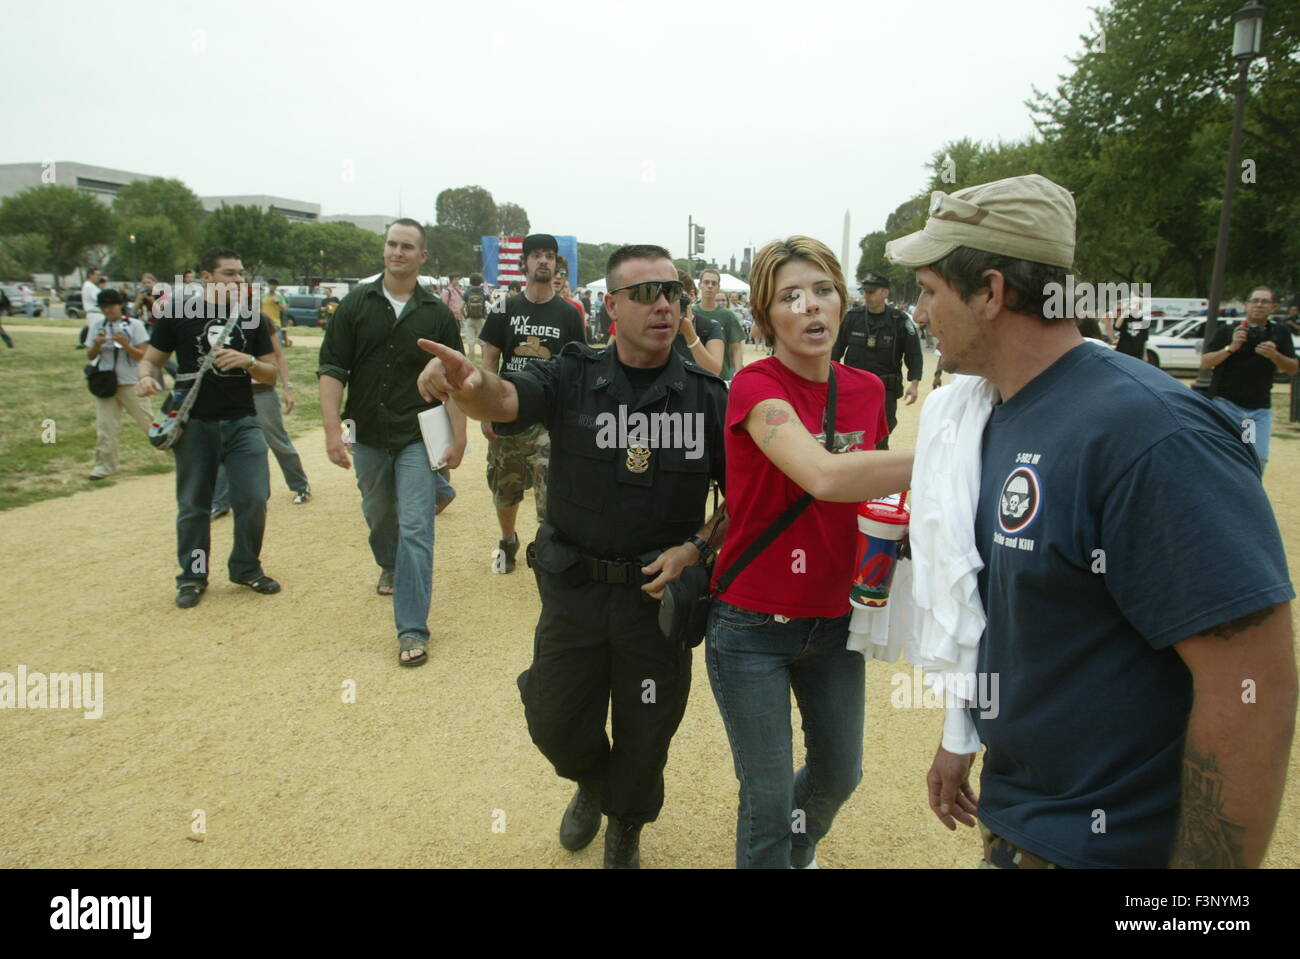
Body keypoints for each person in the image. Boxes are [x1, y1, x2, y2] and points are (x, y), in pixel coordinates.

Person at [884, 173, 1296, 869]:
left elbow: (1252, 687)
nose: (919, 313)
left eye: (929, 290)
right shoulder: (998, 411)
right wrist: (965, 732)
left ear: (990, 291)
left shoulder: (1148, 433)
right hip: (1022, 824)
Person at [415, 243, 728, 869]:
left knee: (646, 734)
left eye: (673, 292)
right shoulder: (572, 373)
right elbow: (504, 401)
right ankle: (589, 780)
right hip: (575, 589)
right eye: (645, 293)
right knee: (555, 723)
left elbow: (742, 499)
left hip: (655, 601)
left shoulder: (705, 396)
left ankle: (625, 827)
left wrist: (697, 548)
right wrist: (469, 386)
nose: (663, 304)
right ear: (610, 306)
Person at [705, 237, 912, 869]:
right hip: (751, 624)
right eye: (789, 296)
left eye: (823, 290)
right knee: (764, 800)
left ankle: (794, 854)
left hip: (836, 620)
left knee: (839, 776)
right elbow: (823, 476)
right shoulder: (754, 388)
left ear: (843, 301)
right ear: (766, 318)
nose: (811, 306)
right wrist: (961, 455)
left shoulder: (870, 391)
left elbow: (870, 490)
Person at [317, 219, 466, 666]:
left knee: (417, 528)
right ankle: (387, 561)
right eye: (392, 245)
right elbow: (331, 369)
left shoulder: (437, 313)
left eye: (407, 247)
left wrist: (457, 439)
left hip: (416, 435)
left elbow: (455, 379)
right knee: (379, 512)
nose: (397, 252)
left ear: (422, 257)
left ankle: (412, 629)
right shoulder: (354, 305)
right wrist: (330, 432)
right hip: (366, 433)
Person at [135, 247, 282, 609]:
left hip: (243, 421)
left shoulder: (253, 318)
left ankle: (246, 566)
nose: (239, 280)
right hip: (196, 423)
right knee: (194, 506)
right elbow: (150, 362)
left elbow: (271, 374)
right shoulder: (177, 315)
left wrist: (248, 361)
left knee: (253, 497)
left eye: (241, 274)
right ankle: (192, 576)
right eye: (230, 274)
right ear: (206, 278)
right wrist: (145, 380)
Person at [477, 234, 585, 573]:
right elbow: (490, 357)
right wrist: (485, 411)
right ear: (525, 262)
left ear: (555, 263)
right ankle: (508, 540)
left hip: (549, 418)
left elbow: (577, 365)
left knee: (550, 489)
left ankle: (546, 548)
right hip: (509, 414)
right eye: (536, 255)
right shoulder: (504, 307)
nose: (543, 261)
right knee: (505, 488)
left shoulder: (568, 313)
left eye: (549, 256)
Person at [211, 303, 311, 517]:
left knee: (276, 440)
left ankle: (300, 485)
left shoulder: (260, 320)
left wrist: (287, 387)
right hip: (229, 393)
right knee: (224, 444)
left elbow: (278, 356)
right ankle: (220, 501)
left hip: (261, 391)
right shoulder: (210, 319)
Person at [1200, 286, 1297, 473]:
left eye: (1265, 302)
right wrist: (1231, 347)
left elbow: (1292, 369)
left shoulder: (1279, 332)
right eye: (1255, 301)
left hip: (1256, 410)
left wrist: (1274, 355)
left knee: (1256, 457)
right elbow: (1205, 363)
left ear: (1273, 307)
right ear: (1246, 305)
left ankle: (1248, 499)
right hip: (1225, 405)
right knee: (1221, 456)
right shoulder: (1227, 331)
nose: (1259, 305)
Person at [832, 271, 922, 449]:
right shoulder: (852, 318)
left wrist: (914, 383)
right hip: (853, 388)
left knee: (881, 436)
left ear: (885, 293)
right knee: (851, 433)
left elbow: (913, 353)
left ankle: (877, 469)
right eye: (865, 291)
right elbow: (835, 351)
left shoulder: (900, 321)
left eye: (872, 291)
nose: (867, 295)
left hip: (885, 390)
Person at [84, 288, 154, 480]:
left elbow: (144, 355)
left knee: (148, 422)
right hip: (106, 383)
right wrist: (97, 345)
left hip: (131, 382)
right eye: (104, 307)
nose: (108, 311)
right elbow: (89, 355)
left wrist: (125, 345)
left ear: (120, 305)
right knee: (105, 428)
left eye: (111, 306)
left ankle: (176, 454)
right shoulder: (97, 325)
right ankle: (105, 466)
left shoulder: (135, 325)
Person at [695, 268, 746, 382]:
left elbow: (736, 348)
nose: (710, 286)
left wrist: (738, 375)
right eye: (706, 282)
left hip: (720, 378)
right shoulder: (691, 312)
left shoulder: (728, 315)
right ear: (700, 285)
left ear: (718, 287)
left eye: (714, 283)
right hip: (694, 376)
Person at [461, 273, 490, 364]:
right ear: (480, 282)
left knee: (470, 344)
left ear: (470, 281)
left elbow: (460, 308)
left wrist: (465, 317)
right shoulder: (483, 292)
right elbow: (494, 303)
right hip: (481, 319)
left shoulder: (467, 293)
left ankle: (471, 365)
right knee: (483, 344)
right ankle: (484, 365)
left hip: (469, 319)